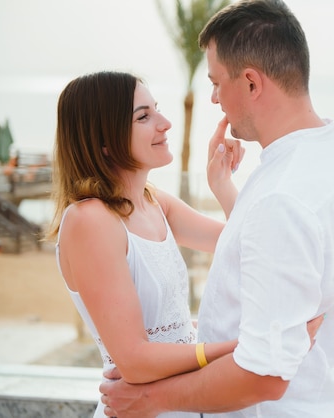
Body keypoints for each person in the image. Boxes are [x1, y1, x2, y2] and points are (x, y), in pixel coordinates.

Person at [99, 0, 334, 417]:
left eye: (216, 81)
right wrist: (225, 190)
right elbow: (261, 248)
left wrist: (148, 399)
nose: (212, 97)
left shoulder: (282, 195)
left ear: (250, 83)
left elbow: (264, 377)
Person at [47, 70, 246, 418]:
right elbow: (136, 361)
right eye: (144, 116)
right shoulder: (89, 221)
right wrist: (236, 349)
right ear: (104, 139)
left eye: (157, 109)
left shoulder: (155, 202)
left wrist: (222, 183)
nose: (165, 123)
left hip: (183, 406)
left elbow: (244, 245)